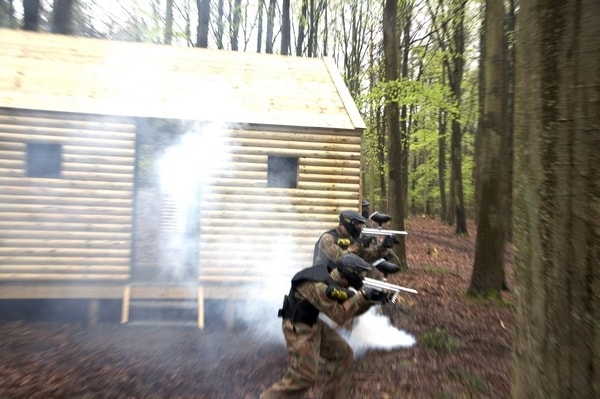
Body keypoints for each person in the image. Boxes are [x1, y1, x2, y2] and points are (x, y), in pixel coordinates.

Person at [259, 254, 390, 399]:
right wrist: (362, 296)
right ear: (350, 272)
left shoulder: (335, 280)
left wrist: (371, 300)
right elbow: (339, 316)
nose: (361, 277)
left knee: (343, 354)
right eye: (359, 274)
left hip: (314, 322)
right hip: (298, 326)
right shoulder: (319, 286)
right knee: (304, 376)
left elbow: (351, 308)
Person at [312, 209, 397, 274]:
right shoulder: (327, 238)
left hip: (340, 280)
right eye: (357, 225)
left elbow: (364, 256)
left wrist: (383, 248)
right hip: (322, 281)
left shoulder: (350, 239)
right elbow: (340, 258)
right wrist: (358, 245)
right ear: (348, 223)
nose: (358, 228)